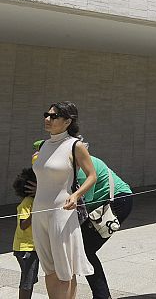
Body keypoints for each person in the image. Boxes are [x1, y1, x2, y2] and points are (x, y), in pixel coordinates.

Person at [32, 102, 97, 299]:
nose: (48, 119)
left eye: (54, 116)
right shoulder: (43, 145)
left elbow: (92, 176)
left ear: (68, 121)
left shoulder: (75, 145)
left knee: (64, 268)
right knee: (49, 268)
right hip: (39, 211)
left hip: (62, 212)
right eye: (47, 114)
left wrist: (76, 195)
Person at [74, 151, 133, 299]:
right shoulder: (79, 161)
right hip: (109, 201)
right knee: (84, 250)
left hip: (118, 201)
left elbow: (84, 205)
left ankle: (102, 295)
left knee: (85, 250)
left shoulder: (81, 171)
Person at [13, 168, 38, 299]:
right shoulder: (27, 202)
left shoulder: (34, 201)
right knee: (27, 281)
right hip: (26, 248)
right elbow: (23, 225)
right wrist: (35, 214)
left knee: (30, 279)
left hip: (31, 247)